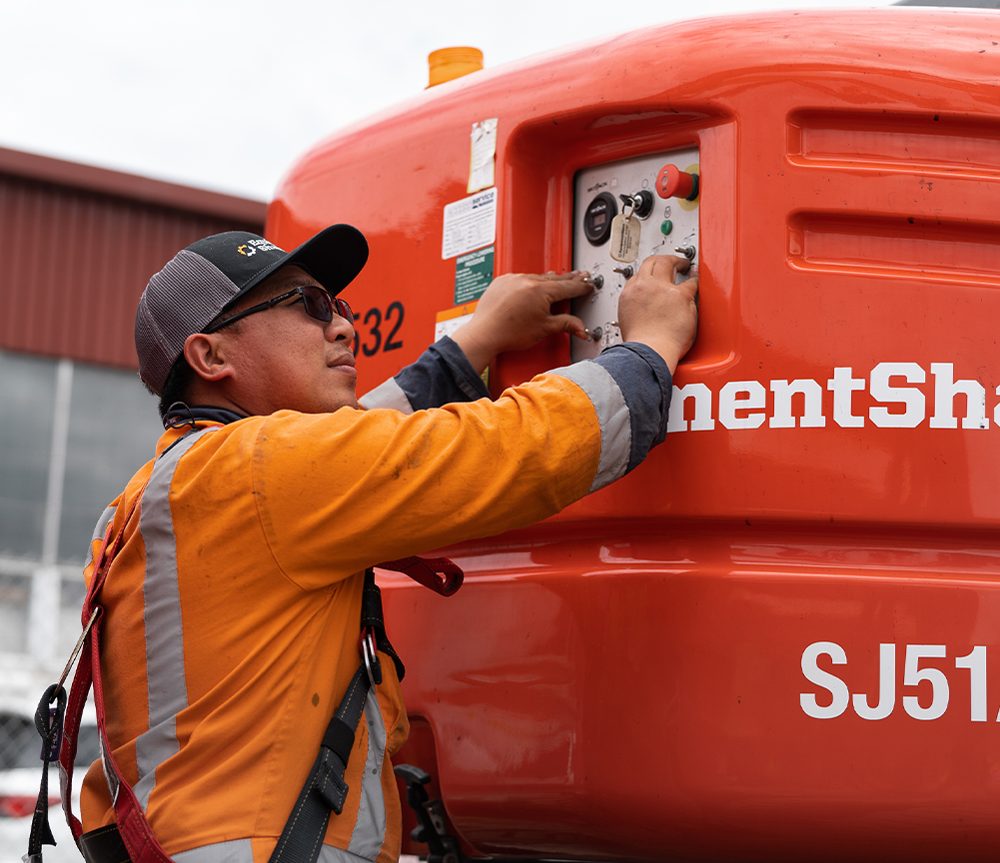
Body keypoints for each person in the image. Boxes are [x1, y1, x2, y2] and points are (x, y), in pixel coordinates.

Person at [75, 224, 698, 863]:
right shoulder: (262, 469)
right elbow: (513, 446)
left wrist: (476, 341)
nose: (345, 328)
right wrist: (650, 346)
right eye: (309, 307)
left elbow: (363, 444)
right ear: (211, 358)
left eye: (339, 306)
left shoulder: (163, 489)